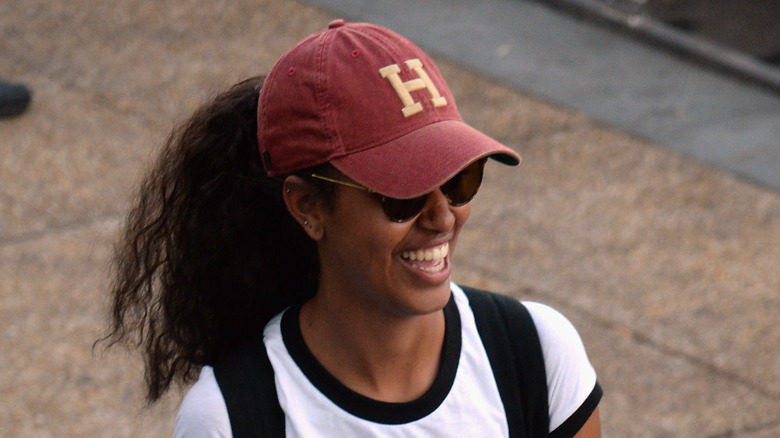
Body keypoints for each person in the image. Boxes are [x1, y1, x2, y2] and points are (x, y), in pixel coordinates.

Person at [103, 20, 602, 437]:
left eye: (458, 178)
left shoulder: (534, 355)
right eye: (402, 193)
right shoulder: (234, 418)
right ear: (308, 208)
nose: (442, 216)